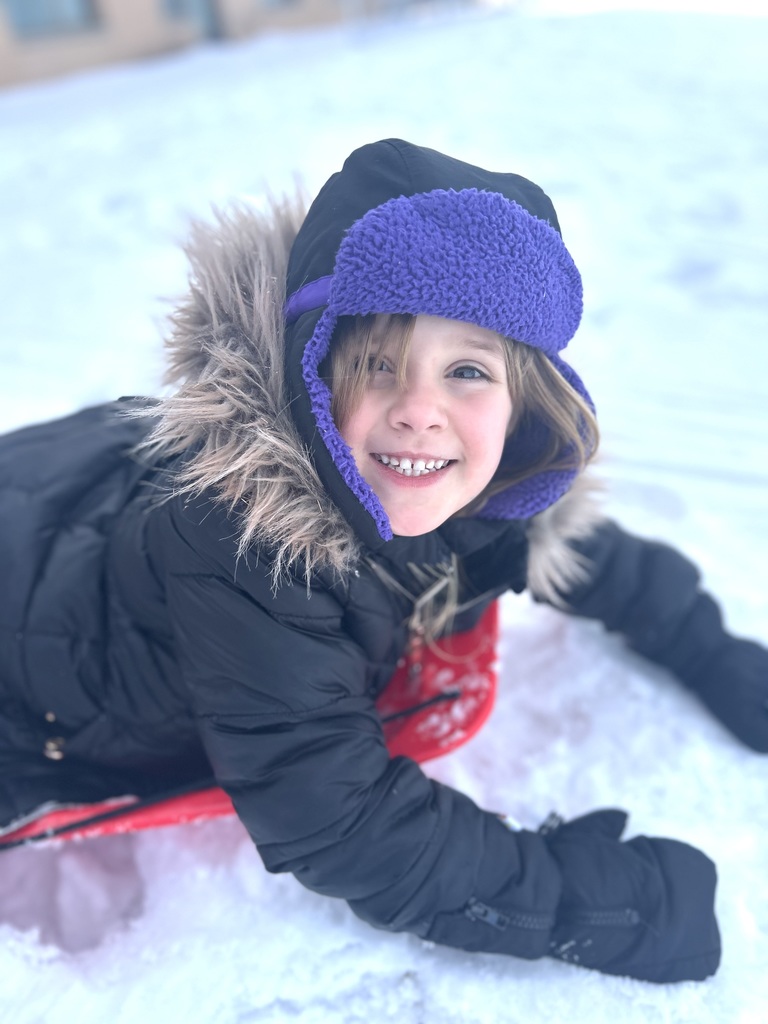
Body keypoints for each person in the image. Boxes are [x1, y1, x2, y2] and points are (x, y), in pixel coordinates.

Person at [0, 139, 765, 982]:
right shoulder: (245, 545)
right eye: (376, 365)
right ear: (311, 374)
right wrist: (603, 904)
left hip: (76, 498)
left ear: (524, 409)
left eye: (467, 370)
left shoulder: (481, 477)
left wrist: (714, 653)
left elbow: (581, 551)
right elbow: (338, 819)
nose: (418, 411)